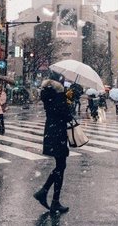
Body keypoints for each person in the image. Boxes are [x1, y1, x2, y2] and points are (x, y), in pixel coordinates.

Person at [33, 75, 72, 214]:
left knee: (60, 166)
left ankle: (46, 194)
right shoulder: (58, 95)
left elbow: (56, 112)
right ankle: (50, 197)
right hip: (58, 133)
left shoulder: (48, 93)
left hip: (51, 132)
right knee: (61, 166)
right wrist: (67, 101)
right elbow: (66, 115)